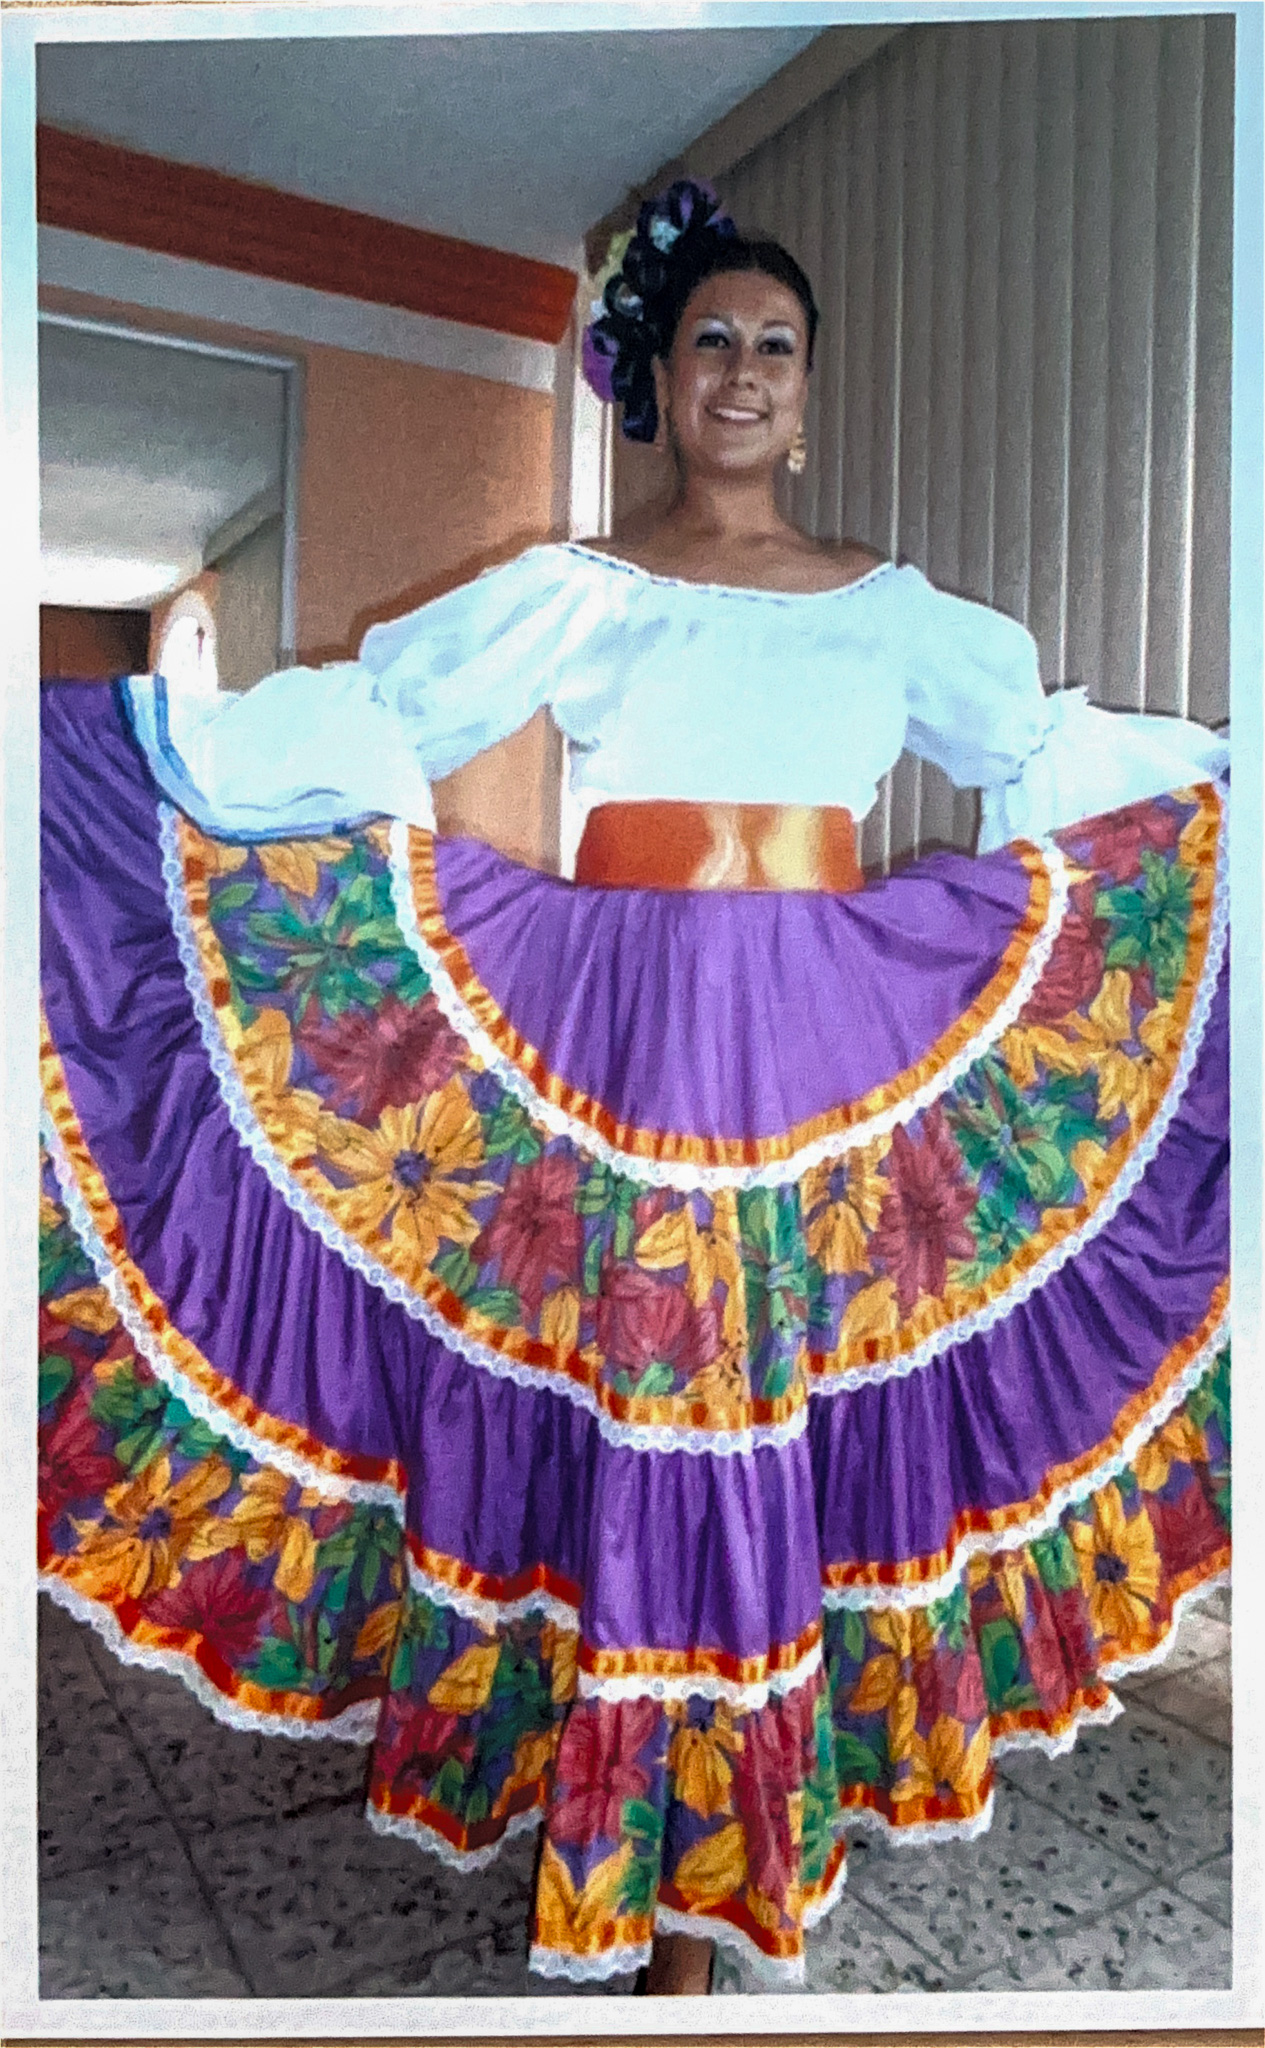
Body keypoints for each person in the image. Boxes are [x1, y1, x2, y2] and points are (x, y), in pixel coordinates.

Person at [38, 181, 1230, 1997]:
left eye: (776, 347)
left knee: (770, 1432)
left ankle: (712, 1879)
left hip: (832, 1058)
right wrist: (142, 751)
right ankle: (631, 1848)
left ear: (807, 392)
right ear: (659, 386)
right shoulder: (576, 591)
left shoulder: (895, 613)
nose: (743, 370)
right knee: (638, 1423)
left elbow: (1053, 754)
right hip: (618, 1048)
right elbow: (379, 715)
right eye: (710, 342)